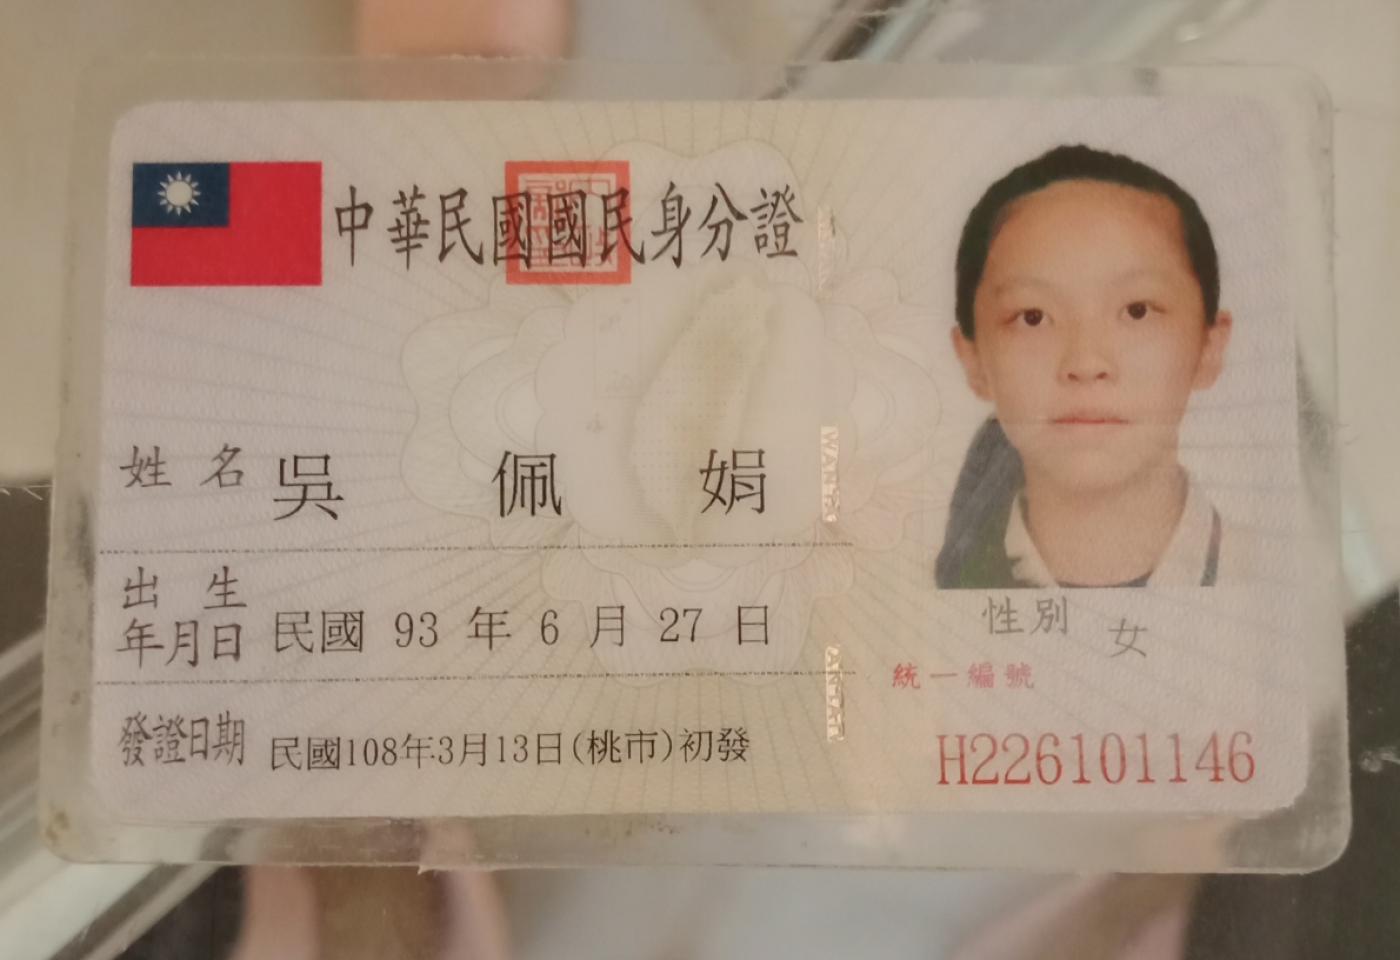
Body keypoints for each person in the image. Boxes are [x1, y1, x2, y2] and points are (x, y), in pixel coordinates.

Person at [937, 144, 1233, 589]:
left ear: (1209, 347)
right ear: (972, 359)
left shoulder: (1281, 580)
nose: (1086, 363)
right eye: (1033, 317)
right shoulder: (912, 600)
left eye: (1136, 311)